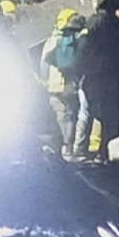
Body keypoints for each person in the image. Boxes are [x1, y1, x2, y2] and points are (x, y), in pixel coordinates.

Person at [73, 7, 119, 162]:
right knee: (111, 117)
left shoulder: (91, 24)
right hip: (111, 78)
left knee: (92, 114)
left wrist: (79, 72)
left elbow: (82, 49)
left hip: (94, 77)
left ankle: (85, 149)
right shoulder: (116, 26)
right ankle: (106, 152)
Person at [40, 9, 81, 158]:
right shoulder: (73, 37)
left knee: (60, 116)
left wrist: (44, 81)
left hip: (53, 85)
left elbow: (44, 63)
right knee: (71, 115)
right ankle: (69, 146)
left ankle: (62, 145)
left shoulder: (51, 40)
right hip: (69, 83)